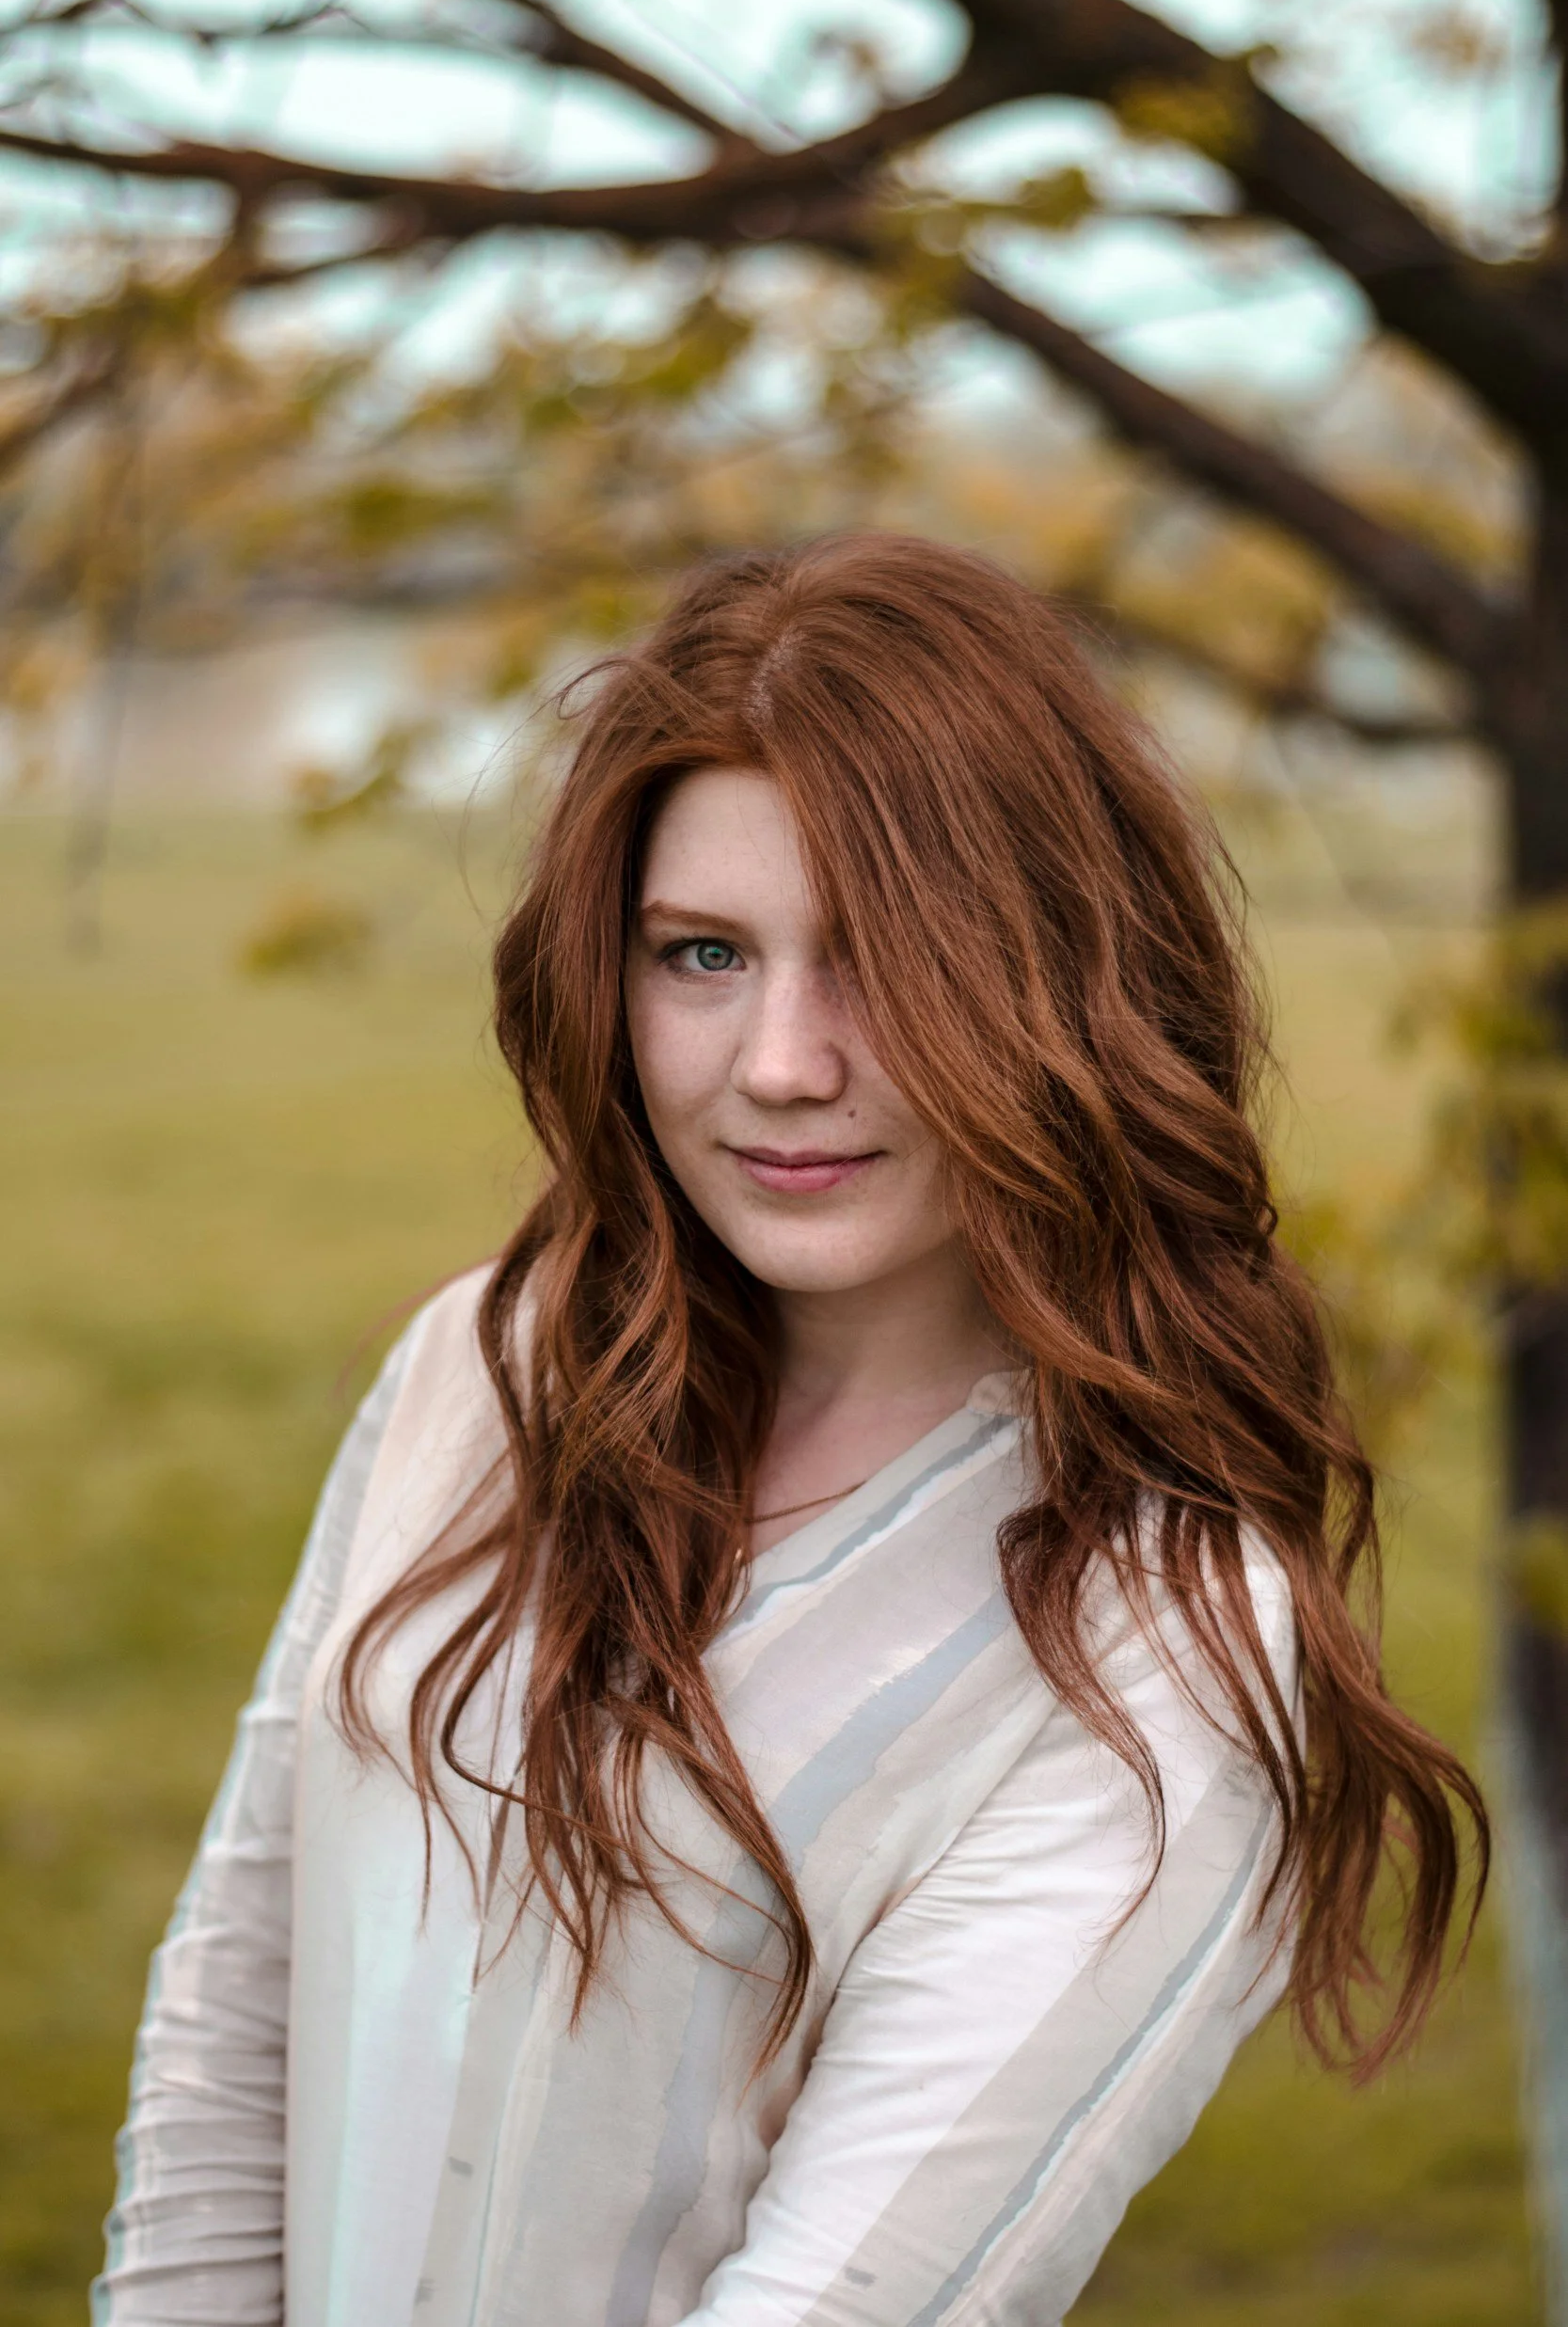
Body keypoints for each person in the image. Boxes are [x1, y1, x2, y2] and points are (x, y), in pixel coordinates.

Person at [94, 532, 1485, 2327]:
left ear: (1064, 980)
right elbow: (239, 2002)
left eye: (881, 959)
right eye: (702, 954)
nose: (779, 1061)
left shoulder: (1153, 1655)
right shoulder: (489, 1367)